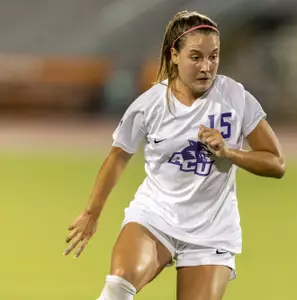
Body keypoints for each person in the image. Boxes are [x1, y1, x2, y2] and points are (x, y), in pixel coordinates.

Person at [63, 10, 285, 300]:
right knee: (117, 287)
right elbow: (118, 156)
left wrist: (230, 152)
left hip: (212, 229)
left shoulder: (236, 98)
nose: (207, 66)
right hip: (156, 217)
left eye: (214, 56)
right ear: (174, 55)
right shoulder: (150, 104)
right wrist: (92, 213)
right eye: (196, 57)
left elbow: (276, 163)